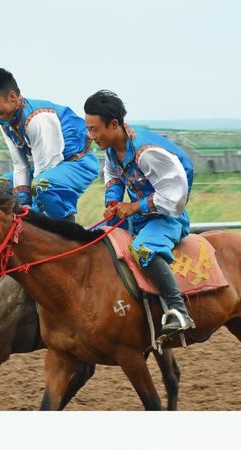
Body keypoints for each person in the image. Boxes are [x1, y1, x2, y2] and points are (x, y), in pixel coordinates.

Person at [84, 89, 195, 336]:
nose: (90, 136)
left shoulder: (148, 153)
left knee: (144, 248)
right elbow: (113, 175)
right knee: (98, 240)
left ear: (114, 125)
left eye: (94, 129)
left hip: (168, 217)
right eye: (88, 129)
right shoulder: (113, 149)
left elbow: (174, 198)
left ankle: (178, 310)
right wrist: (113, 202)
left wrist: (133, 207)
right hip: (140, 217)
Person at [0, 68, 99, 220]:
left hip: (77, 164)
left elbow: (47, 167)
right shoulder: (5, 122)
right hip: (48, 168)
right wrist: (23, 201)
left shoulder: (38, 119)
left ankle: (67, 230)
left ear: (12, 96)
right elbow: (20, 166)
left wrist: (31, 212)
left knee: (42, 185)